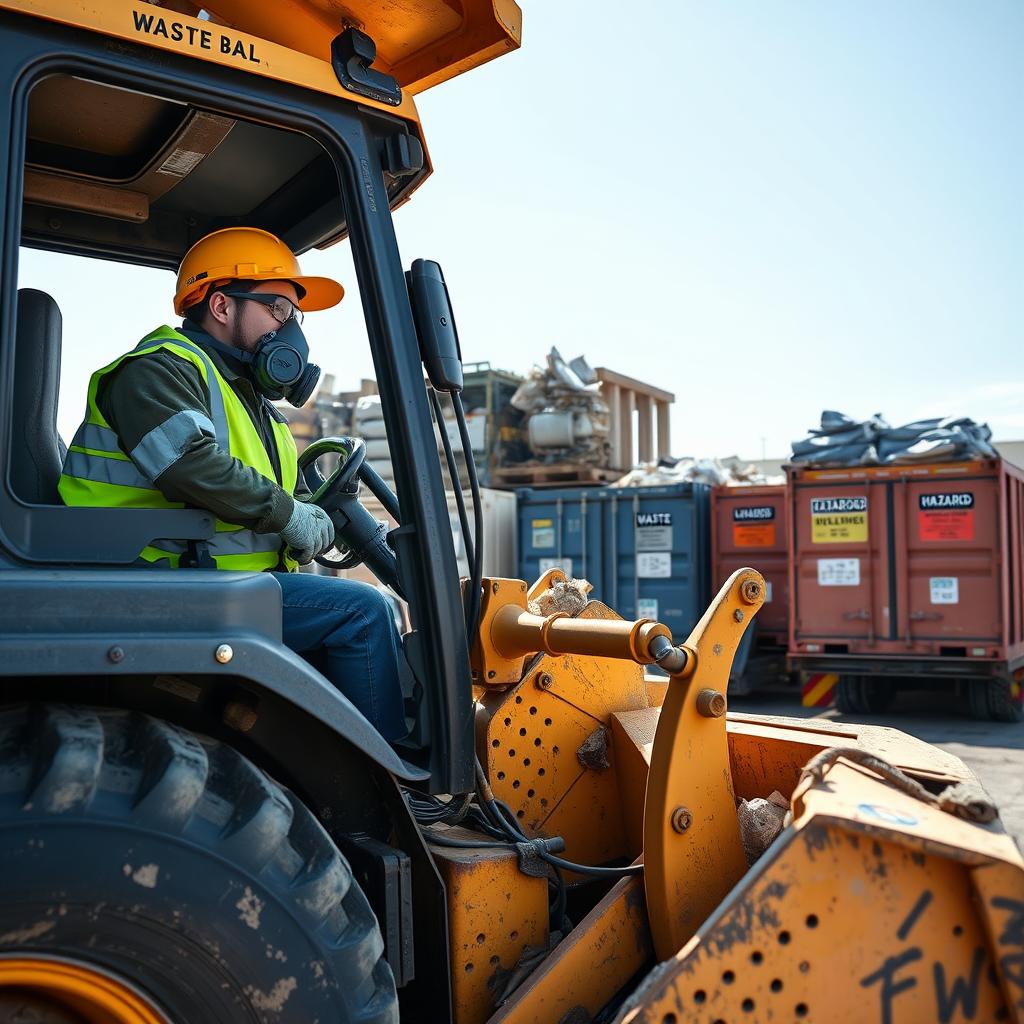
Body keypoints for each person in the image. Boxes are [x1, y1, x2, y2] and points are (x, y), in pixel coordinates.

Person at [58, 227, 406, 740]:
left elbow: (254, 496)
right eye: (279, 312)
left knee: (356, 606)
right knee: (365, 613)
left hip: (213, 582)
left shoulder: (251, 403)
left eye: (295, 318)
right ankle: (392, 792)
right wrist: (289, 514)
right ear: (222, 305)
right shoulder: (159, 370)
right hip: (154, 582)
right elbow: (189, 464)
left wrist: (311, 511)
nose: (292, 333)